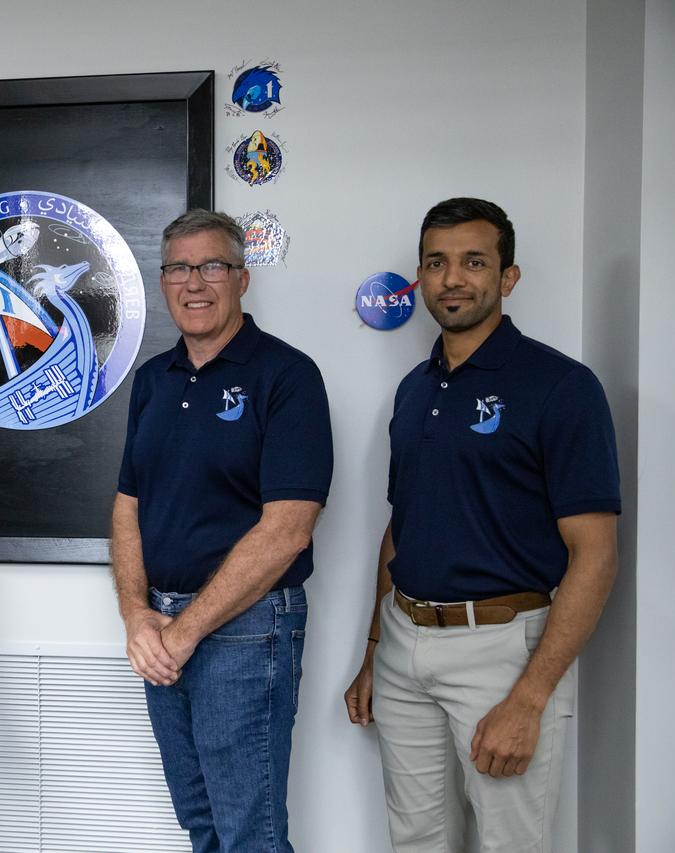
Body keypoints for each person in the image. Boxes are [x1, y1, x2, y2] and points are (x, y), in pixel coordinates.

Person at [343, 198, 620, 852]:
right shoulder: (415, 390)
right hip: (404, 644)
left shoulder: (561, 386)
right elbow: (401, 527)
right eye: (436, 263)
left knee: (508, 844)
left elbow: (596, 555)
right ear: (420, 276)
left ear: (508, 276)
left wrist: (530, 698)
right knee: (416, 840)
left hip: (503, 653)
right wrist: (373, 652)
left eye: (474, 261)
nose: (453, 278)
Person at [111, 209, 334, 853]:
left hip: (249, 629)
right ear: (162, 283)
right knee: (202, 823)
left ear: (242, 278)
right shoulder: (154, 380)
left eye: (212, 266)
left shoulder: (287, 377)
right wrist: (137, 615)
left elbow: (289, 528)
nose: (196, 283)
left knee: (249, 835)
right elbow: (128, 504)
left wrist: (183, 632)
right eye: (180, 268)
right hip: (162, 628)